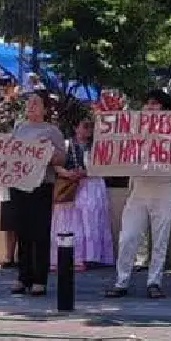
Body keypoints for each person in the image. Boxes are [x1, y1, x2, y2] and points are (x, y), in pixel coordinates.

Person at [106, 90, 171, 299]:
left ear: (165, 108)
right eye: (147, 103)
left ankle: (154, 282)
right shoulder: (133, 130)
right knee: (128, 237)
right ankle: (121, 281)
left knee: (160, 239)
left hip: (165, 190)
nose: (149, 107)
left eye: (155, 104)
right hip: (138, 190)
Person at [9, 90, 66, 296]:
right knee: (22, 231)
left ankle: (39, 280)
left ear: (44, 109)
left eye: (36, 103)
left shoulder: (52, 131)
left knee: (40, 233)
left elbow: (61, 159)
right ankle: (23, 277)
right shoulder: (19, 128)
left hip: (41, 186)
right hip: (19, 185)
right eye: (29, 102)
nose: (31, 106)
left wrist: (48, 150)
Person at [51, 116, 114, 271]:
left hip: (92, 185)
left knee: (90, 220)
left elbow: (106, 166)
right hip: (71, 186)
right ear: (76, 128)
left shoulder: (98, 146)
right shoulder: (66, 145)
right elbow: (56, 165)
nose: (88, 130)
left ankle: (89, 257)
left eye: (91, 127)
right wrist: (68, 174)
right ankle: (66, 257)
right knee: (69, 221)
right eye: (85, 126)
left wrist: (87, 172)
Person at [0, 188, 18, 269]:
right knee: (8, 227)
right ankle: (9, 257)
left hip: (22, 193)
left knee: (21, 227)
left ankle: (19, 257)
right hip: (7, 196)